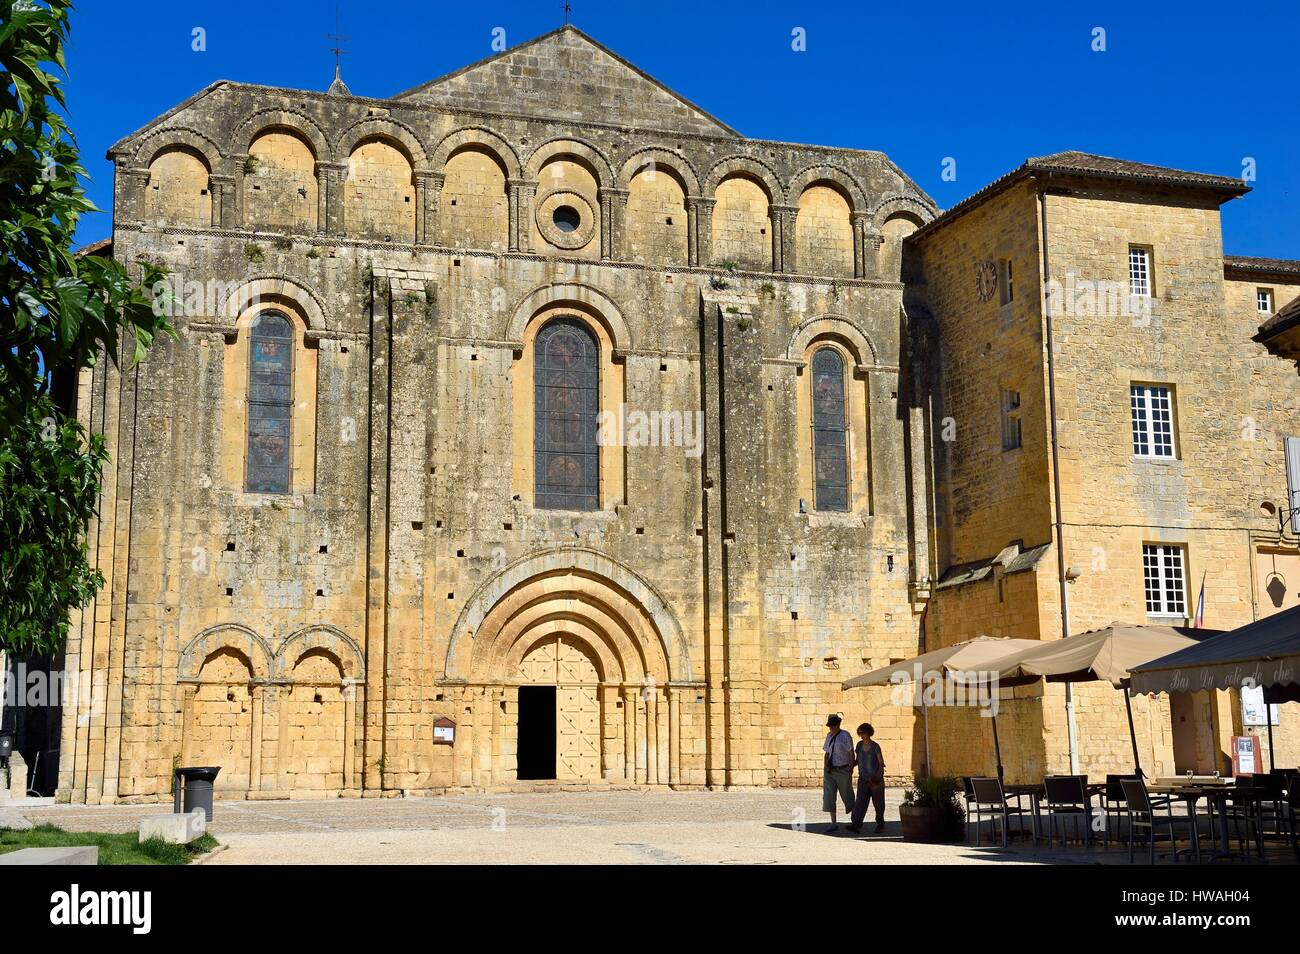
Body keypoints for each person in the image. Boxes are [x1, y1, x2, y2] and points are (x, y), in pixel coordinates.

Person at [848, 722, 886, 834]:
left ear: (869, 733)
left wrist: (877, 778)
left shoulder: (875, 746)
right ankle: (856, 824)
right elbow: (858, 760)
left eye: (863, 733)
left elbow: (881, 763)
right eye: (860, 733)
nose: (861, 735)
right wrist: (849, 766)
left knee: (878, 804)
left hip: (875, 781)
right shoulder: (859, 745)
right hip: (863, 780)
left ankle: (880, 825)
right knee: (859, 803)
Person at [821, 714, 854, 832]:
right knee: (829, 796)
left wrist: (850, 770)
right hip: (830, 770)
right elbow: (826, 752)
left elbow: (851, 753)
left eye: (832, 726)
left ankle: (855, 821)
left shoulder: (845, 735)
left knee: (847, 794)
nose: (830, 728)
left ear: (838, 725)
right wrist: (826, 766)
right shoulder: (829, 736)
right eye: (829, 726)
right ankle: (833, 823)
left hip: (842, 769)